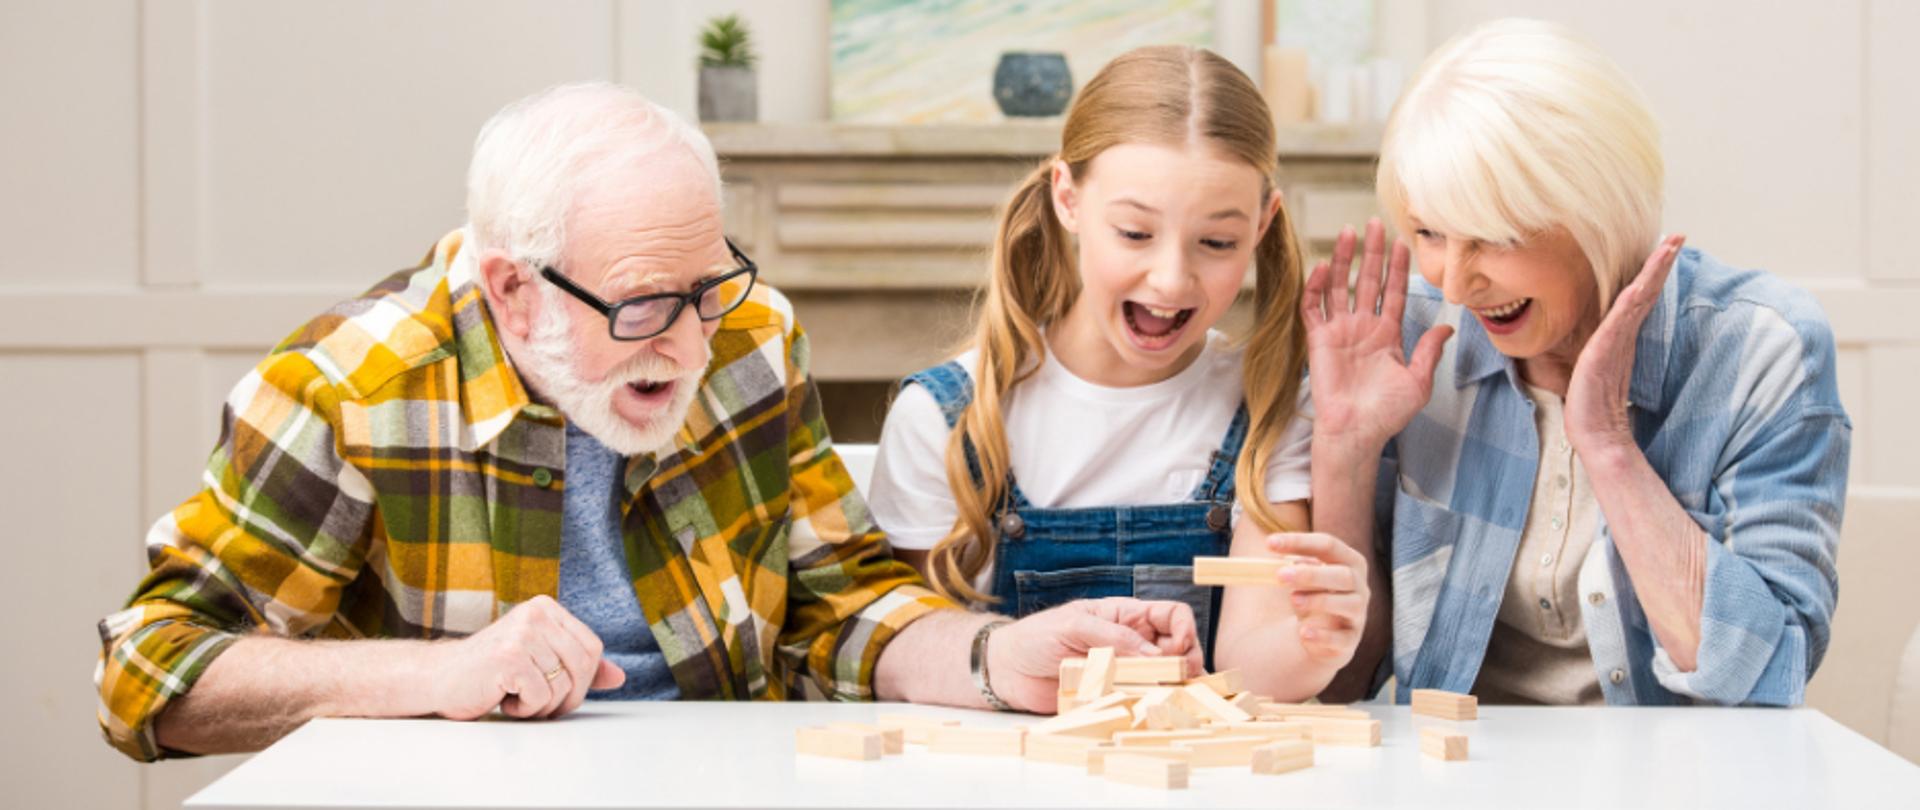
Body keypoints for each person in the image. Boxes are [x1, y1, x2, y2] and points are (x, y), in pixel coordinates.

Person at [95, 82, 1203, 762]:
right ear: (512, 288)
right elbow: (148, 674)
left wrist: (1003, 655)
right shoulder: (351, 386)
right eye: (640, 305)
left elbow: (841, 605)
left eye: (709, 283)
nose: (688, 340)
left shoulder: (748, 337)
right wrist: (433, 679)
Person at [1310, 19, 1849, 705]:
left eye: (1496, 238)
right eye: (1430, 233)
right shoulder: (1411, 334)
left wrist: (1608, 446)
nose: (1454, 283)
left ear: (1601, 210)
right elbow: (1343, 684)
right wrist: (1345, 454)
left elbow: (1766, 678)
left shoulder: (1757, 350)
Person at [866, 46, 1372, 702]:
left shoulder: (1270, 408)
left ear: (1262, 225)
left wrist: (1313, 644)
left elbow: (1254, 667)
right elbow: (912, 664)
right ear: (1068, 200)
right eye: (1135, 233)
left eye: (1217, 243)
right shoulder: (945, 419)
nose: (1171, 279)